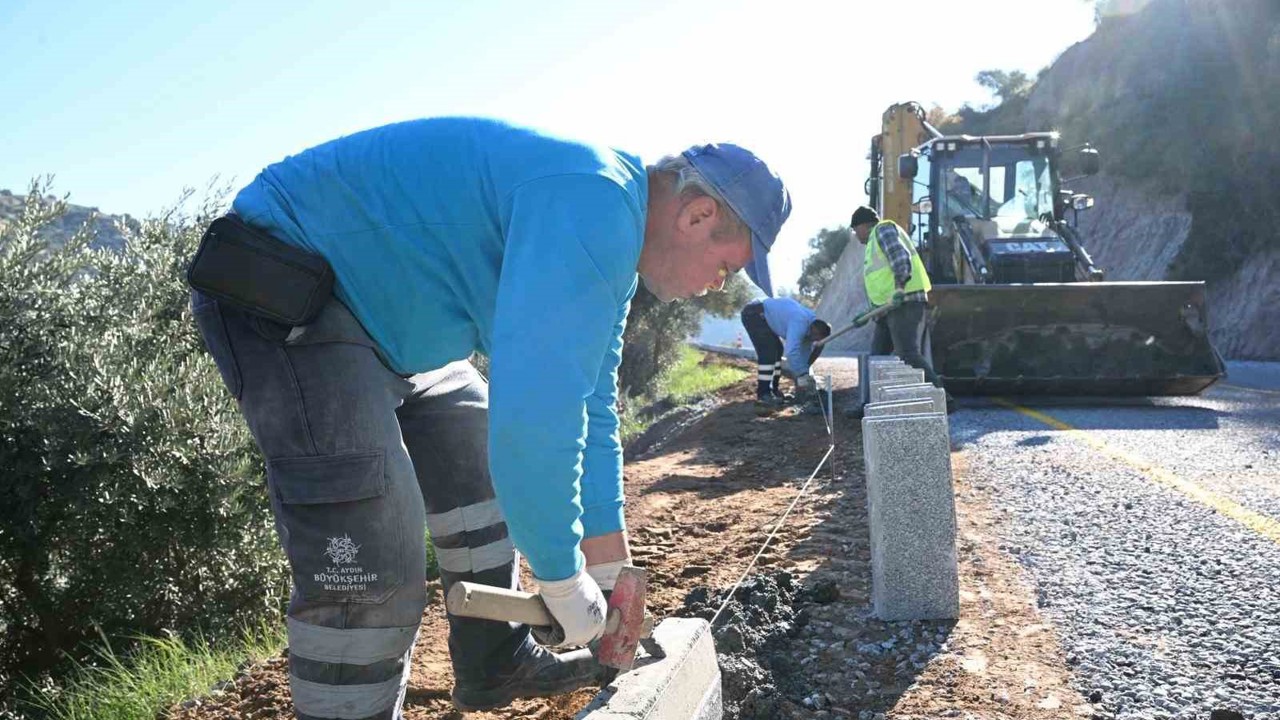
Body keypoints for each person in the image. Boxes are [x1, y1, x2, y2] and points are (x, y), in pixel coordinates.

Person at [188, 117, 790, 717]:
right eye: (727, 268)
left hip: (383, 320)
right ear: (698, 216)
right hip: (290, 285)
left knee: (471, 440)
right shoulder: (595, 203)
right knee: (373, 549)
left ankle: (493, 660)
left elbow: (591, 406)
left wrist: (607, 567)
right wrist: (559, 576)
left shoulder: (614, 232)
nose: (718, 287)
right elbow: (534, 422)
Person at [848, 205, 956, 414]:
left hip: (905, 301)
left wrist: (899, 287)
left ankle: (944, 399)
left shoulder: (883, 230)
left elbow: (900, 258)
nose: (856, 235)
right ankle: (869, 406)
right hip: (888, 308)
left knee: (907, 353)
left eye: (856, 229)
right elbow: (880, 283)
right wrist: (871, 312)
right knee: (876, 357)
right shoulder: (871, 245)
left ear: (863, 225)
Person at [739, 297, 830, 409]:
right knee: (768, 351)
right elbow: (791, 352)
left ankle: (774, 391)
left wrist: (805, 374)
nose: (814, 341)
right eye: (815, 339)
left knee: (778, 350)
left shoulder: (811, 328)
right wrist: (802, 375)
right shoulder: (800, 322)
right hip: (754, 313)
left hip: (764, 316)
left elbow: (804, 357)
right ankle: (763, 394)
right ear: (813, 330)